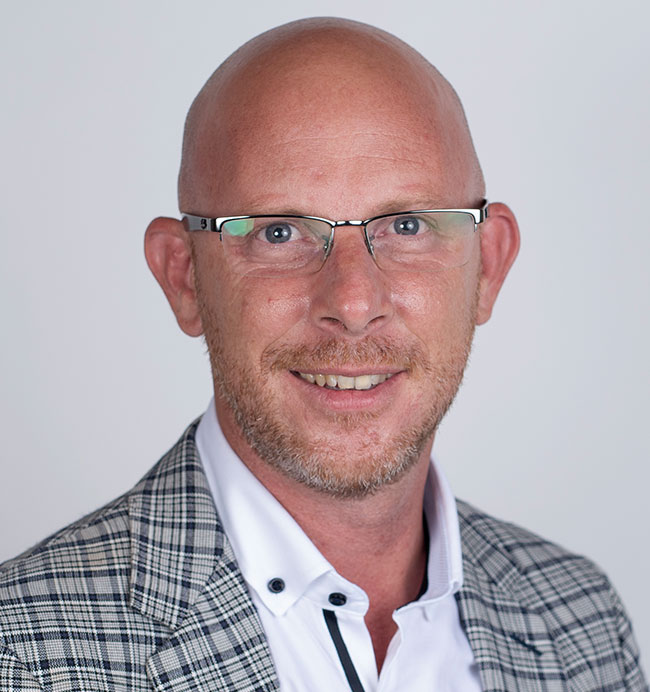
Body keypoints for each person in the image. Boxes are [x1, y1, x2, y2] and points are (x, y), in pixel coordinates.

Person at [0, 17, 646, 692]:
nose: (354, 302)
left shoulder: (583, 625)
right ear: (184, 276)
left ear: (487, 266)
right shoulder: (23, 656)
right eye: (279, 233)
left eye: (407, 226)